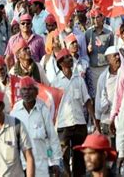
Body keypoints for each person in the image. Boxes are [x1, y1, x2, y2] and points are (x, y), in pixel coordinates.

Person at [51, 48, 99, 176]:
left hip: (79, 122)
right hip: (63, 125)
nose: (70, 59)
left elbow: (87, 100)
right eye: (66, 57)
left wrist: (94, 120)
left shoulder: (79, 79)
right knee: (64, 156)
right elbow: (52, 106)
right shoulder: (55, 83)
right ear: (61, 63)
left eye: (69, 57)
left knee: (79, 157)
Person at [10, 77, 63, 177]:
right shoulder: (15, 112)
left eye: (30, 89)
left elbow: (52, 137)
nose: (26, 92)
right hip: (22, 166)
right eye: (24, 89)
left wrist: (55, 162)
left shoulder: (43, 110)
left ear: (36, 92)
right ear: (20, 92)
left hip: (41, 165)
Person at [95, 46, 120, 139]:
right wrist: (97, 125)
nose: (118, 57)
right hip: (107, 120)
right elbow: (98, 101)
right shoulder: (103, 78)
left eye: (118, 55)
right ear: (108, 60)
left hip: (122, 120)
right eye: (115, 56)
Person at [85, 10, 114, 86]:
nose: (95, 20)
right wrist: (88, 50)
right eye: (93, 18)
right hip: (94, 68)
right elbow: (85, 54)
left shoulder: (109, 33)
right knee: (96, 92)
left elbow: (111, 51)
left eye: (97, 17)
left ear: (102, 17)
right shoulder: (88, 33)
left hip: (106, 67)